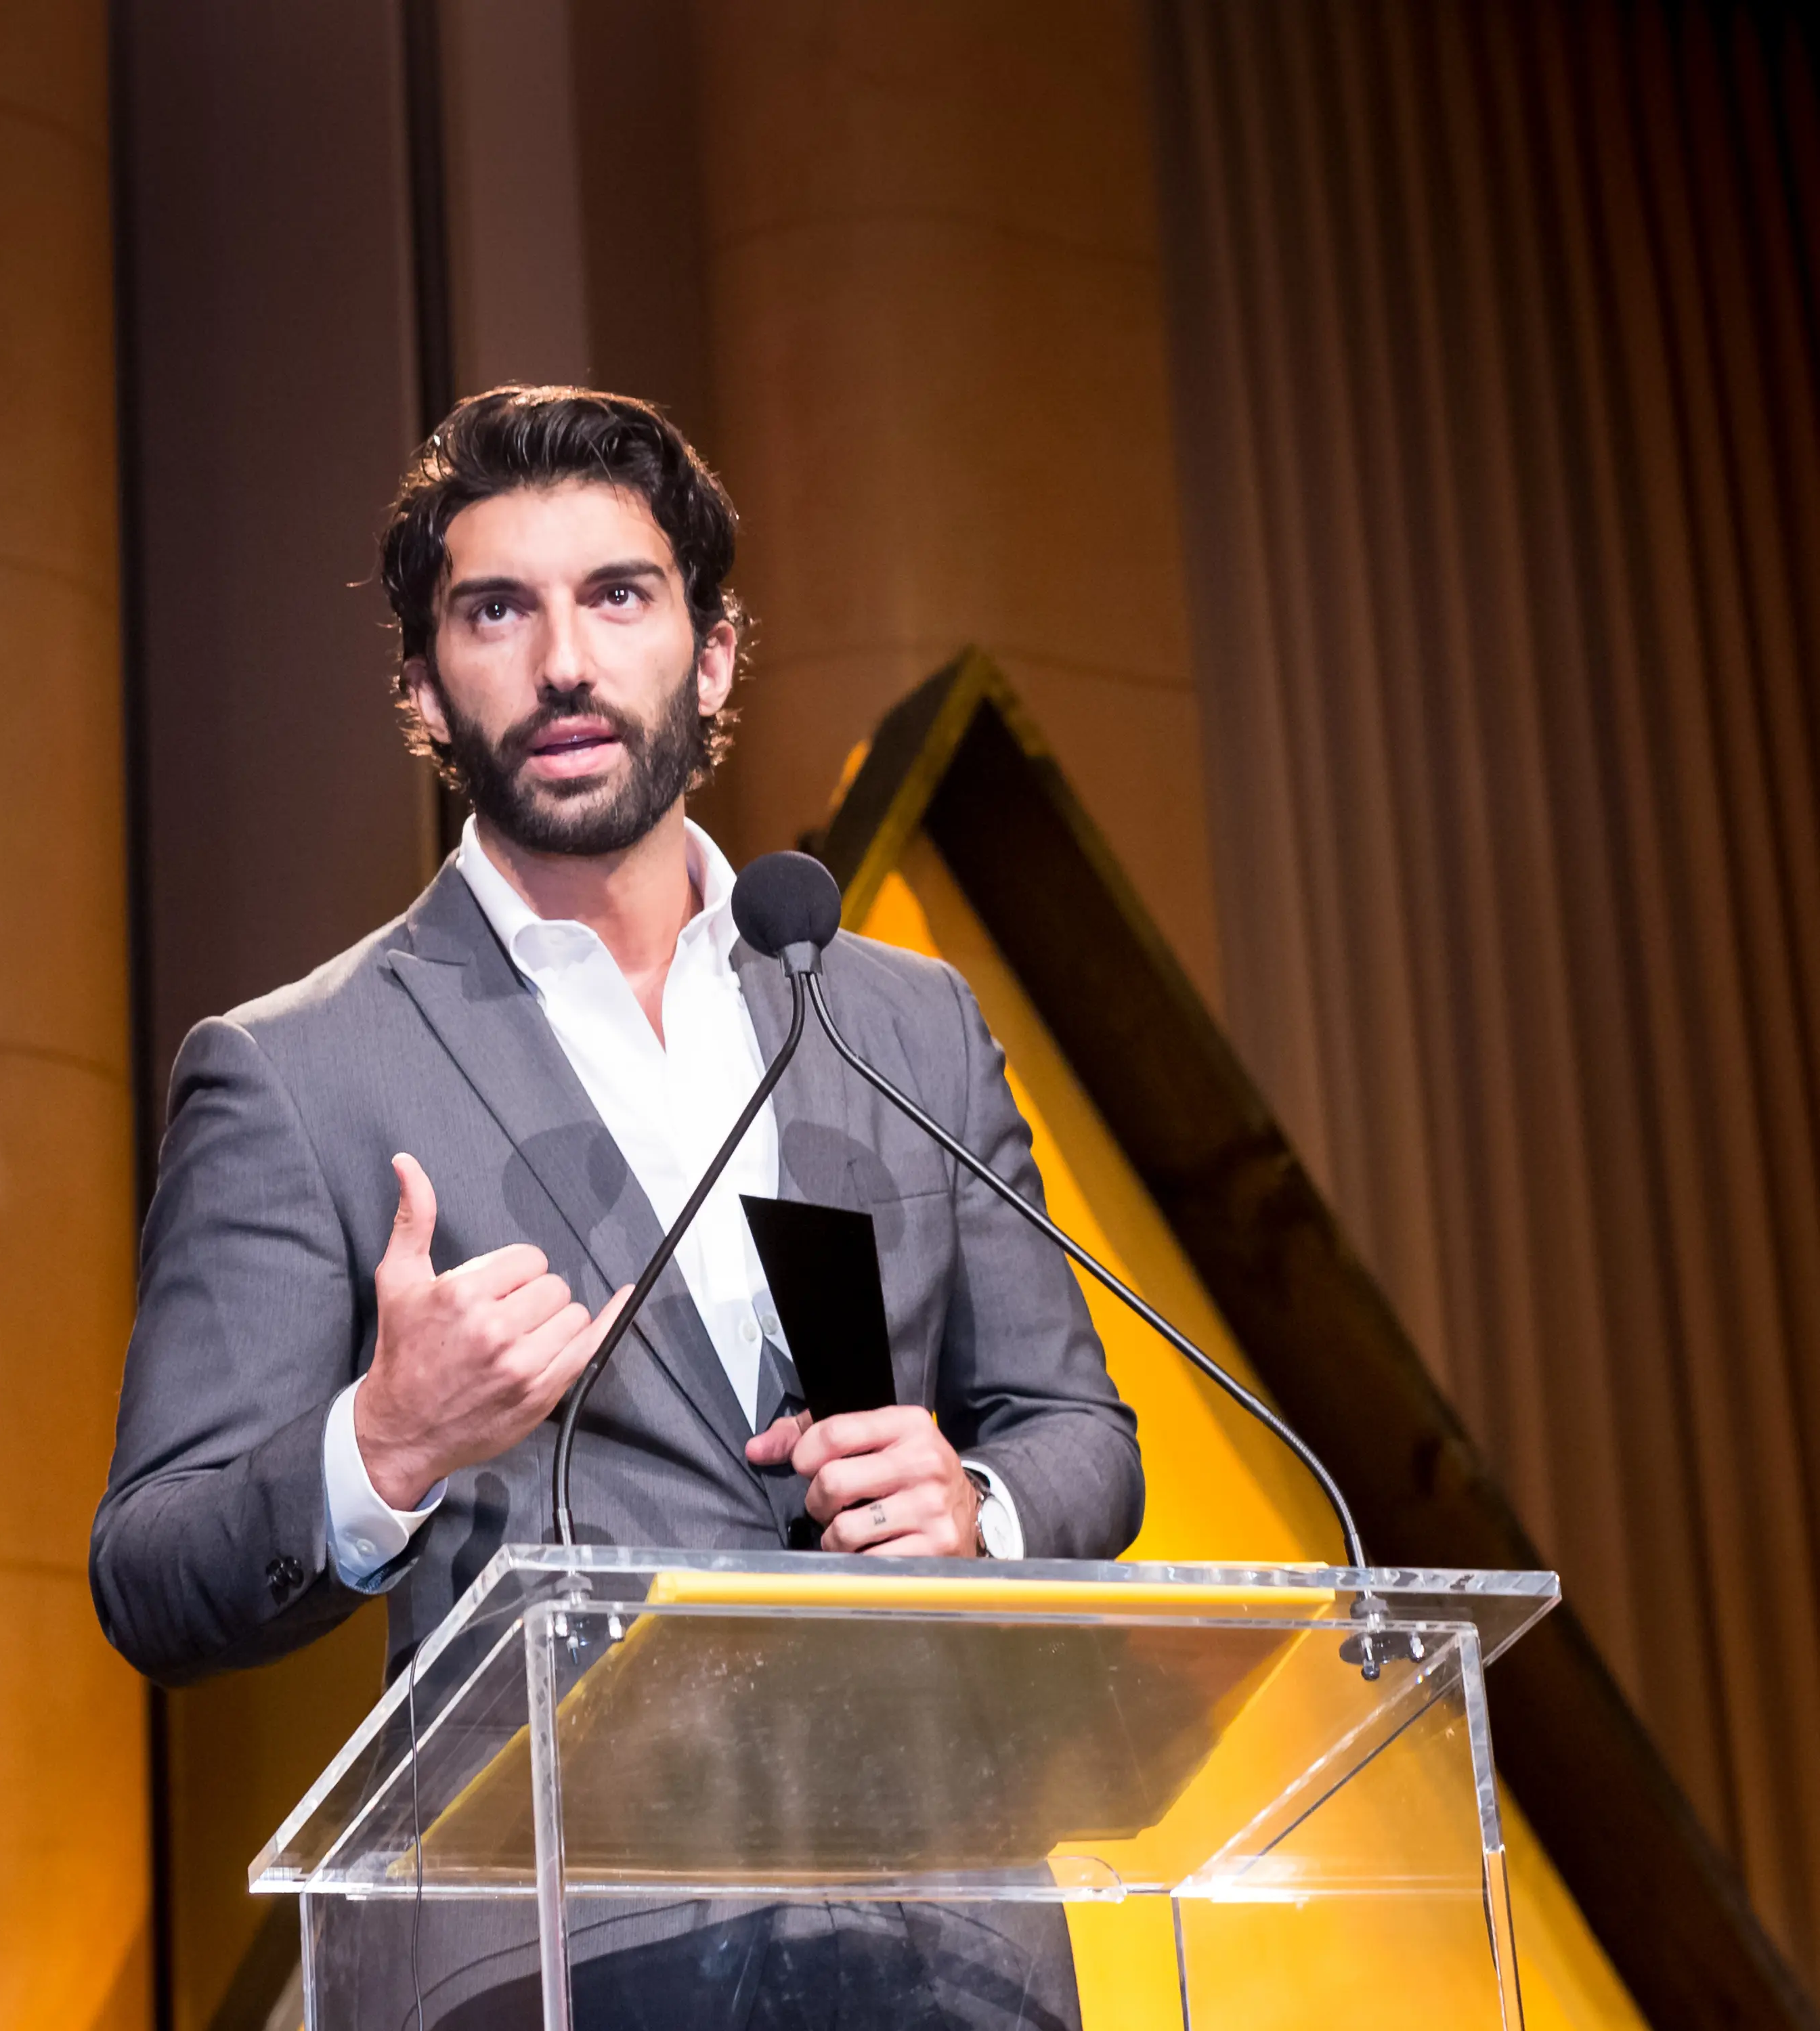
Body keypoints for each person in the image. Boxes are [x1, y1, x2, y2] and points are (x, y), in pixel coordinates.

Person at [91, 386, 1142, 2027]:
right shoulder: (298, 1071)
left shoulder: (897, 1017)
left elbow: (1080, 1430)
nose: (563, 662)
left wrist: (978, 1505)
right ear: (426, 693)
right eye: (496, 610)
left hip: (945, 1951)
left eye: (619, 597)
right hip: (555, 1967)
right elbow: (153, 1572)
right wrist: (383, 1447)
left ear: (713, 656)